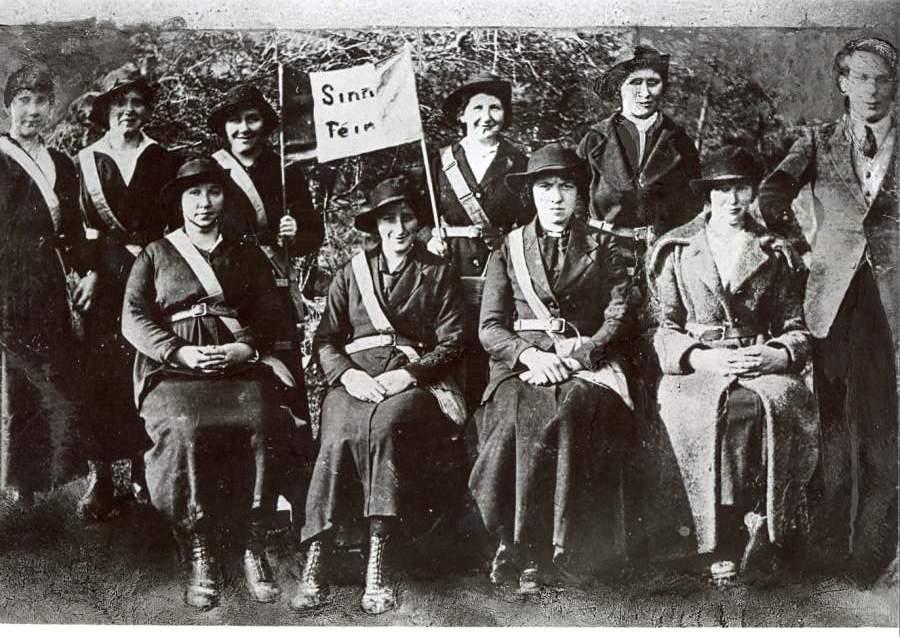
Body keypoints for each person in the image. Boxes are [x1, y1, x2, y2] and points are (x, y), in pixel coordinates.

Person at [121, 157, 299, 610]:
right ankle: (197, 544)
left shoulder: (246, 252)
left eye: (213, 192)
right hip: (174, 370)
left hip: (235, 365)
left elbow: (270, 310)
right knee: (182, 427)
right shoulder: (155, 254)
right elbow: (133, 316)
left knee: (263, 420)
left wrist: (245, 348)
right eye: (193, 194)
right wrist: (178, 351)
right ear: (179, 202)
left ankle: (253, 542)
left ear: (225, 199)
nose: (204, 203)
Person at [291, 175, 467, 615]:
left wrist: (408, 375)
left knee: (386, 428)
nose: (399, 228)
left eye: (407, 217)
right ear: (376, 225)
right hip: (356, 378)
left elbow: (452, 342)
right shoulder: (352, 273)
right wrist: (347, 375)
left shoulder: (437, 272)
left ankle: (378, 558)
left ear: (419, 222)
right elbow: (327, 339)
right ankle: (317, 551)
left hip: (412, 381)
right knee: (336, 431)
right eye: (389, 219)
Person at [758, 36, 897, 581]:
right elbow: (772, 193)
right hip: (832, 300)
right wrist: (797, 245)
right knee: (832, 423)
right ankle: (828, 549)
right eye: (861, 78)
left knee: (881, 425)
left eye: (882, 79)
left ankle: (872, 555)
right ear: (843, 83)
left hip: (891, 301)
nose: (872, 89)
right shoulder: (816, 140)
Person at [469, 143, 635, 593]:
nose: (556, 197)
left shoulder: (604, 245)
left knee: (573, 408)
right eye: (546, 187)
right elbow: (490, 327)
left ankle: (561, 547)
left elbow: (618, 315)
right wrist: (532, 356)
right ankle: (515, 544)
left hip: (587, 364)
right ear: (532, 194)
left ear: (579, 193)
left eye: (565, 186)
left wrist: (582, 353)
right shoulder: (508, 249)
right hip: (524, 364)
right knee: (516, 411)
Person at [649, 146, 818, 580]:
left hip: (758, 362)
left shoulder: (774, 251)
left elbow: (796, 326)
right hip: (698, 368)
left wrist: (776, 354)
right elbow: (664, 327)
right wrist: (700, 357)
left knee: (765, 405)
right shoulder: (677, 249)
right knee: (715, 410)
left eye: (742, 188)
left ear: (753, 193)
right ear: (708, 195)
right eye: (722, 190)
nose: (733, 199)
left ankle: (766, 523)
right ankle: (719, 533)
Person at [207, 82, 322, 514]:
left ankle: (293, 490)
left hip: (274, 288)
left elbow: (313, 235)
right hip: (227, 288)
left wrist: (297, 232)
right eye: (235, 120)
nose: (244, 128)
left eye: (252, 119)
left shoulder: (285, 170)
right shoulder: (211, 171)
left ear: (265, 125)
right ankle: (238, 488)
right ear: (224, 127)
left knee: (285, 381)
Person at [75, 63, 180, 520]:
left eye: (137, 102)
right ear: (107, 110)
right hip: (106, 281)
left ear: (147, 110)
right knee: (102, 375)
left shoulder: (163, 159)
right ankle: (100, 477)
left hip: (153, 279)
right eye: (120, 103)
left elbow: (174, 225)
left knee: (149, 367)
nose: (129, 110)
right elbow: (84, 229)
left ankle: (143, 470)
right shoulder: (87, 161)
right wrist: (90, 272)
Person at [0, 65, 97, 503]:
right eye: (23, 101)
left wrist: (90, 272)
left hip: (50, 285)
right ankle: (15, 481)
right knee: (13, 383)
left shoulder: (61, 164)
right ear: (8, 106)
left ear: (52, 108)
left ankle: (48, 477)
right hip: (7, 283)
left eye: (41, 101)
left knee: (50, 378)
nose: (33, 111)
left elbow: (73, 230)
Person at [424, 71, 531, 416]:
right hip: (448, 268)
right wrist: (429, 238)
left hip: (498, 268)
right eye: (478, 108)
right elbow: (415, 217)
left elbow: (530, 223)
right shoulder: (438, 162)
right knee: (452, 345)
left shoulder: (519, 163)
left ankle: (489, 422)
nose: (487, 117)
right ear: (462, 114)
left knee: (492, 343)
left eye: (495, 108)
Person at [576, 45, 701, 304]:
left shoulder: (680, 142)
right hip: (602, 255)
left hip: (660, 256)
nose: (645, 93)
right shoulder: (594, 140)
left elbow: (692, 207)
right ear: (619, 86)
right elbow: (574, 200)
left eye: (653, 82)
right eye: (635, 82)